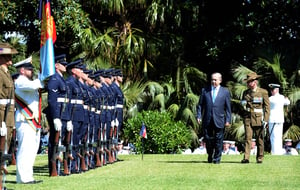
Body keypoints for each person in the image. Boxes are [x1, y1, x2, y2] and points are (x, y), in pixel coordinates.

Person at [14, 56, 43, 184]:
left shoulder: (28, 81)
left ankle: (28, 176)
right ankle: (22, 178)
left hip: (32, 120)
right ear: (22, 70)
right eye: (29, 69)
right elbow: (35, 85)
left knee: (31, 150)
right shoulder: (21, 81)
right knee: (24, 149)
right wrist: (43, 76)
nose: (32, 71)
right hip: (25, 120)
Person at [46, 54, 73, 176]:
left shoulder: (61, 79)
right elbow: (52, 100)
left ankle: (59, 166)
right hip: (57, 114)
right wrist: (56, 117)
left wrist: (67, 119)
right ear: (56, 65)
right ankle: (53, 168)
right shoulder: (54, 79)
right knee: (54, 141)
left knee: (61, 141)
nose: (65, 66)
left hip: (64, 114)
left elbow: (65, 101)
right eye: (63, 64)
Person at [196, 72, 231, 164]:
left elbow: (228, 108)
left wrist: (228, 120)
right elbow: (200, 105)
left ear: (220, 80)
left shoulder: (225, 91)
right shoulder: (205, 90)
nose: (213, 81)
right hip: (207, 119)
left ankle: (217, 159)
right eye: (212, 79)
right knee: (208, 139)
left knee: (219, 140)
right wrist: (199, 116)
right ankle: (210, 155)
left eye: (215, 80)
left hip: (219, 119)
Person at [240, 72, 270, 164]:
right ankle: (246, 157)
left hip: (258, 118)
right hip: (248, 117)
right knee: (248, 138)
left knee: (259, 139)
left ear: (255, 82)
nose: (248, 84)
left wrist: (266, 119)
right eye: (248, 82)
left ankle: (260, 157)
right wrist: (242, 105)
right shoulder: (245, 92)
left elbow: (267, 107)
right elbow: (243, 104)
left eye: (250, 82)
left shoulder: (263, 92)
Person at [0, 42, 18, 189]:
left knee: (4, 149)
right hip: (2, 116)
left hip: (9, 116)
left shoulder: (6, 74)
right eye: (7, 57)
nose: (10, 60)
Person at [268, 83, 290, 155]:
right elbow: (288, 102)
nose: (271, 91)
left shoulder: (271, 99)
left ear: (276, 90)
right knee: (278, 136)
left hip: (273, 120)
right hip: (280, 119)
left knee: (273, 136)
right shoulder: (282, 97)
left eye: (273, 90)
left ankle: (274, 152)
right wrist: (286, 98)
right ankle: (278, 151)